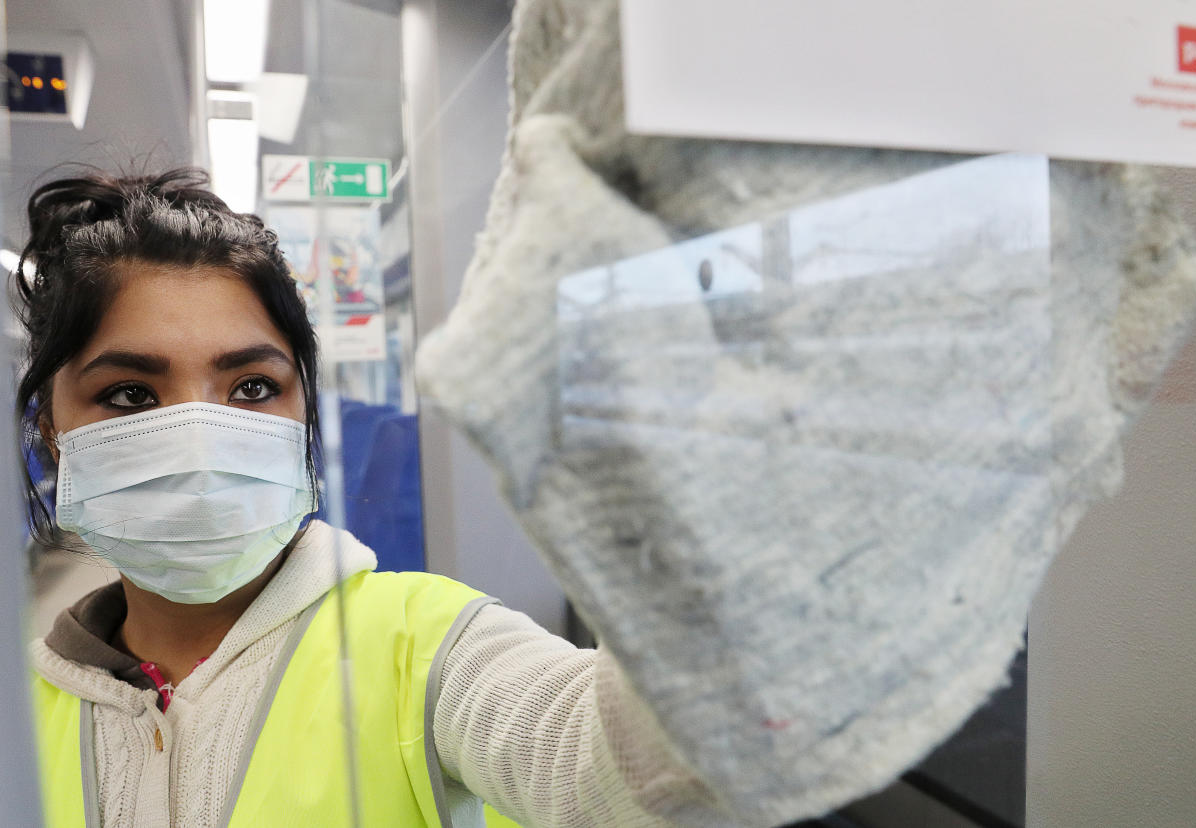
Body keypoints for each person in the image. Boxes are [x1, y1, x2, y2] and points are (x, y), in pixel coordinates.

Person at [17, 169, 732, 828]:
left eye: (253, 388)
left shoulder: (425, 647)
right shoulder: (16, 718)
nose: (203, 438)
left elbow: (628, 769)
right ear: (51, 430)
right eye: (131, 395)